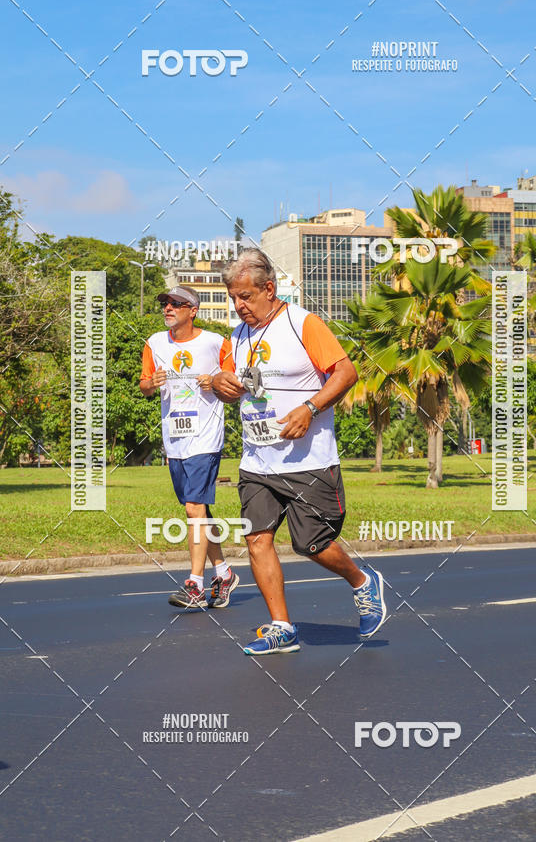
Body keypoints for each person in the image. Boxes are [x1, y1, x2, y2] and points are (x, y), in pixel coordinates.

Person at [211, 250, 386, 655]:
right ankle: (282, 627)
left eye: (245, 296)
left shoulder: (303, 323)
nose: (238, 305)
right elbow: (227, 384)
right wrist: (221, 383)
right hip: (257, 459)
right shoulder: (236, 337)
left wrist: (310, 408)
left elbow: (346, 373)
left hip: (309, 461)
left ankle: (362, 582)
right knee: (257, 539)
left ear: (269, 289)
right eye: (233, 297)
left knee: (311, 544)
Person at [140, 284, 239, 610]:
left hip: (205, 437)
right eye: (165, 303)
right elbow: (144, 384)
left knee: (193, 508)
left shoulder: (216, 342)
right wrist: (151, 384)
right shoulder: (154, 343)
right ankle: (223, 573)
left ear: (193, 310)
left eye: (176, 304)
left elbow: (234, 382)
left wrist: (216, 381)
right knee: (200, 510)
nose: (168, 308)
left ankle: (194, 585)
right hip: (175, 440)